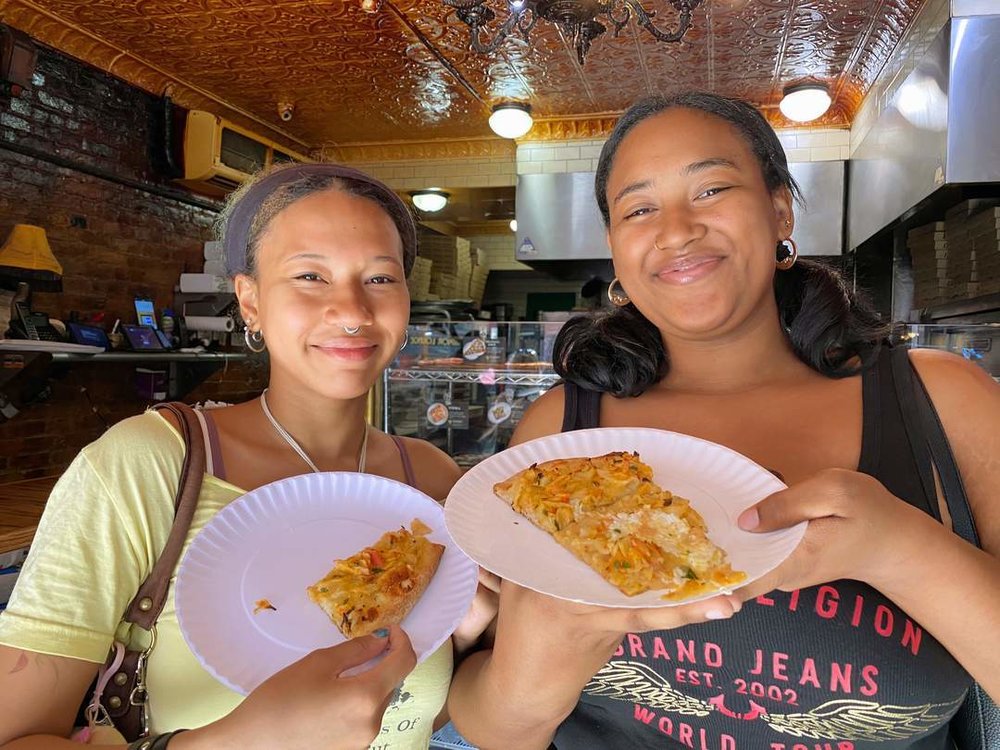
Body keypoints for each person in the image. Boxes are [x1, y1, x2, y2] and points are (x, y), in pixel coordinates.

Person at [448, 92, 1000, 749]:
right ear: (616, 248)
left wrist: (899, 550)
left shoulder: (940, 400)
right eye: (640, 208)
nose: (676, 230)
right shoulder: (559, 440)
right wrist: (523, 680)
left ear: (778, 209)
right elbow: (493, 728)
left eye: (711, 189)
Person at [0, 163, 495, 750]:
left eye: (381, 279)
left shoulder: (432, 481)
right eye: (310, 275)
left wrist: (465, 635)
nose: (354, 310)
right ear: (250, 300)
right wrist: (250, 738)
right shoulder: (147, 466)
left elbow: (417, 717)